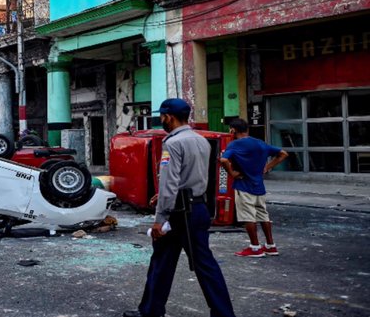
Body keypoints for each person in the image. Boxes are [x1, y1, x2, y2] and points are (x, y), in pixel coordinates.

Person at [123, 98, 236, 317]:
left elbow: (170, 181)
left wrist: (159, 219)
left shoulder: (172, 143)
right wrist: (166, 196)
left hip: (179, 213)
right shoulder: (201, 140)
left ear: (169, 117)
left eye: (162, 117)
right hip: (198, 208)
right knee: (199, 264)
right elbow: (193, 176)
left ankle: (151, 311)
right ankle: (221, 313)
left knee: (166, 263)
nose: (161, 120)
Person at [220, 118, 288, 258]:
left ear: (232, 130)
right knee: (263, 216)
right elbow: (283, 153)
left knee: (248, 217)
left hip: (244, 185)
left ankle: (255, 247)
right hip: (259, 186)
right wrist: (267, 167)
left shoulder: (234, 144)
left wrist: (232, 173)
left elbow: (224, 160)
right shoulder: (260, 143)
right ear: (247, 130)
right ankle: (271, 245)